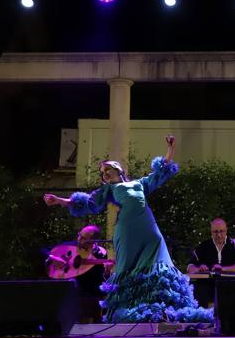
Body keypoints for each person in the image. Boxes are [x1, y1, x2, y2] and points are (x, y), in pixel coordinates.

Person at [43, 135, 212, 323]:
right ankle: (131, 311)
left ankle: (162, 309)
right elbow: (89, 202)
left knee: (159, 262)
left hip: (148, 228)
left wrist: (170, 149)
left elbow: (160, 173)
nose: (104, 173)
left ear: (118, 169)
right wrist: (59, 201)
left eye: (107, 169)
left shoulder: (139, 183)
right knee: (129, 268)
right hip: (127, 231)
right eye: (102, 172)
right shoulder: (109, 190)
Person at [42, 225, 112, 322]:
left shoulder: (100, 254)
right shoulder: (71, 246)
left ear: (93, 241)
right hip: (69, 293)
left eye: (83, 238)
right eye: (79, 235)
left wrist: (107, 271)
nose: (79, 239)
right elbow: (43, 250)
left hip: (88, 295)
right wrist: (51, 257)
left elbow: (100, 281)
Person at [187, 218, 235, 307]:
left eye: (221, 231)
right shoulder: (203, 246)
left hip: (229, 284)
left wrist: (223, 269)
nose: (219, 235)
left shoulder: (234, 244)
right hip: (208, 286)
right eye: (215, 232)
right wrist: (199, 269)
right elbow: (190, 268)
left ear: (226, 230)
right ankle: (203, 317)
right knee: (199, 288)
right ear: (211, 232)